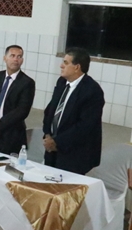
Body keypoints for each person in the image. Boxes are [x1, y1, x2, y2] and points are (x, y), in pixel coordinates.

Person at [42, 47, 104, 175]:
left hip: (75, 153)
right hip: (52, 149)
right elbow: (50, 110)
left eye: (65, 63)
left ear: (77, 67)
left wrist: (57, 142)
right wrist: (48, 134)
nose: (61, 66)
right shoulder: (62, 82)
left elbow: (85, 126)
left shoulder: (92, 91)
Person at [0, 45, 36, 156]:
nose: (16, 59)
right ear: (5, 58)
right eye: (12, 56)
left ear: (22, 60)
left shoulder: (27, 82)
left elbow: (22, 110)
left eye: (19, 57)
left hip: (11, 137)